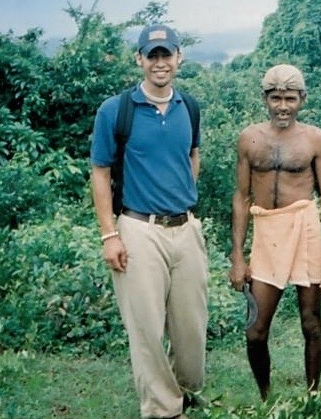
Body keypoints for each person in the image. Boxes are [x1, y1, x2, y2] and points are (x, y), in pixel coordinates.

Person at [90, 24, 208, 419]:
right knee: (146, 330)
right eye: (152, 55)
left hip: (186, 229)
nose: (160, 62)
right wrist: (110, 234)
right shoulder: (116, 110)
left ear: (179, 58)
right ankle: (163, 409)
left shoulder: (188, 107)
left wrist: (182, 198)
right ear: (139, 59)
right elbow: (100, 171)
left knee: (192, 329)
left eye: (167, 54)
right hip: (139, 230)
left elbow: (193, 156)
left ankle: (185, 389)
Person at [228, 64, 321, 401]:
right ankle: (265, 398)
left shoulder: (315, 139)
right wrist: (237, 255)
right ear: (265, 98)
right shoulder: (250, 138)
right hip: (266, 231)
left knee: (311, 322)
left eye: (290, 98)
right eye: (276, 98)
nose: (283, 106)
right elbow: (241, 196)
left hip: (304, 228)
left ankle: (311, 396)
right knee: (255, 331)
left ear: (302, 99)